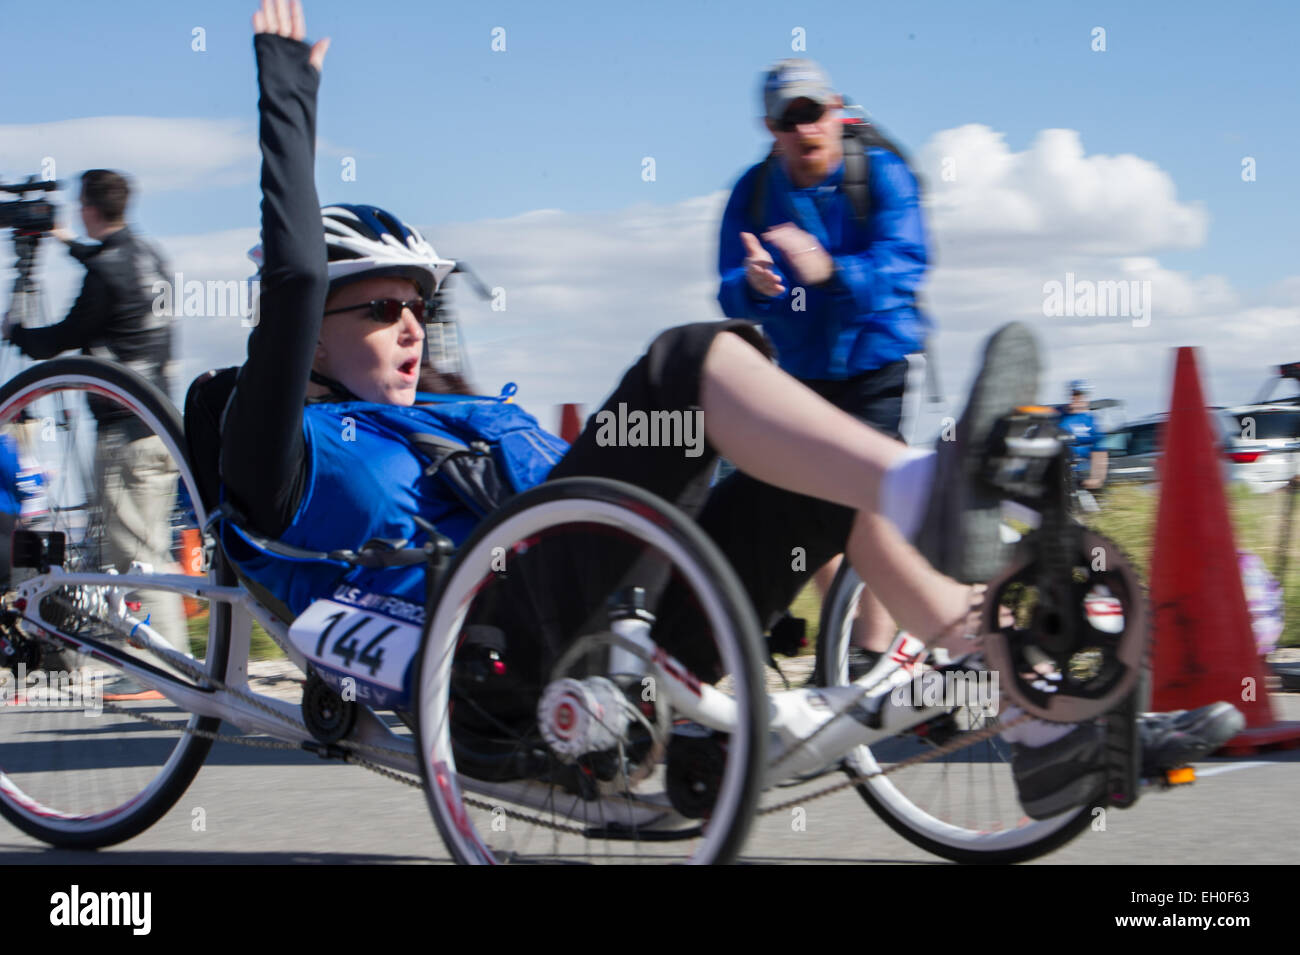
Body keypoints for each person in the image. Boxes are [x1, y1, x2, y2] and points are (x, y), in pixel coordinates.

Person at [227, 0, 1242, 817]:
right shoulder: (281, 448)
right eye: (379, 310)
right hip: (496, 649)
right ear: (311, 333)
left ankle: (1029, 706)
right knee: (688, 360)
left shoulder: (463, 416)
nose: (411, 326)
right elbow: (293, 275)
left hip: (628, 620)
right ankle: (932, 487)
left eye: (421, 306)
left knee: (808, 474)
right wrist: (289, 102)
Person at [716, 59, 930, 676]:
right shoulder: (752, 192)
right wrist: (754, 287)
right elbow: (728, 286)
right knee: (803, 510)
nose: (804, 127)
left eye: (813, 111)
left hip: (875, 364)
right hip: (801, 373)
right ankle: (849, 641)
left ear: (835, 110)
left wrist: (833, 271)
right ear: (771, 128)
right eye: (789, 118)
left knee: (867, 499)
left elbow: (907, 265)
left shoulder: (880, 175)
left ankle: (874, 653)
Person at [1, 169, 186, 684]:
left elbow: (60, 338)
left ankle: (154, 670)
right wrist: (65, 243)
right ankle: (170, 665)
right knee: (150, 550)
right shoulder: (148, 255)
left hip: (124, 434)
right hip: (159, 427)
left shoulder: (105, 272)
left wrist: (16, 331)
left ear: (87, 207)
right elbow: (110, 268)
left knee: (134, 558)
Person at [1058, 379, 1108, 491]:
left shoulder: (1091, 421)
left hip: (1081, 473)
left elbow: (1099, 452)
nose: (1077, 398)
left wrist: (1097, 478)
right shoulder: (1058, 415)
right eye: (1074, 394)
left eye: (1080, 395)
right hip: (1059, 470)